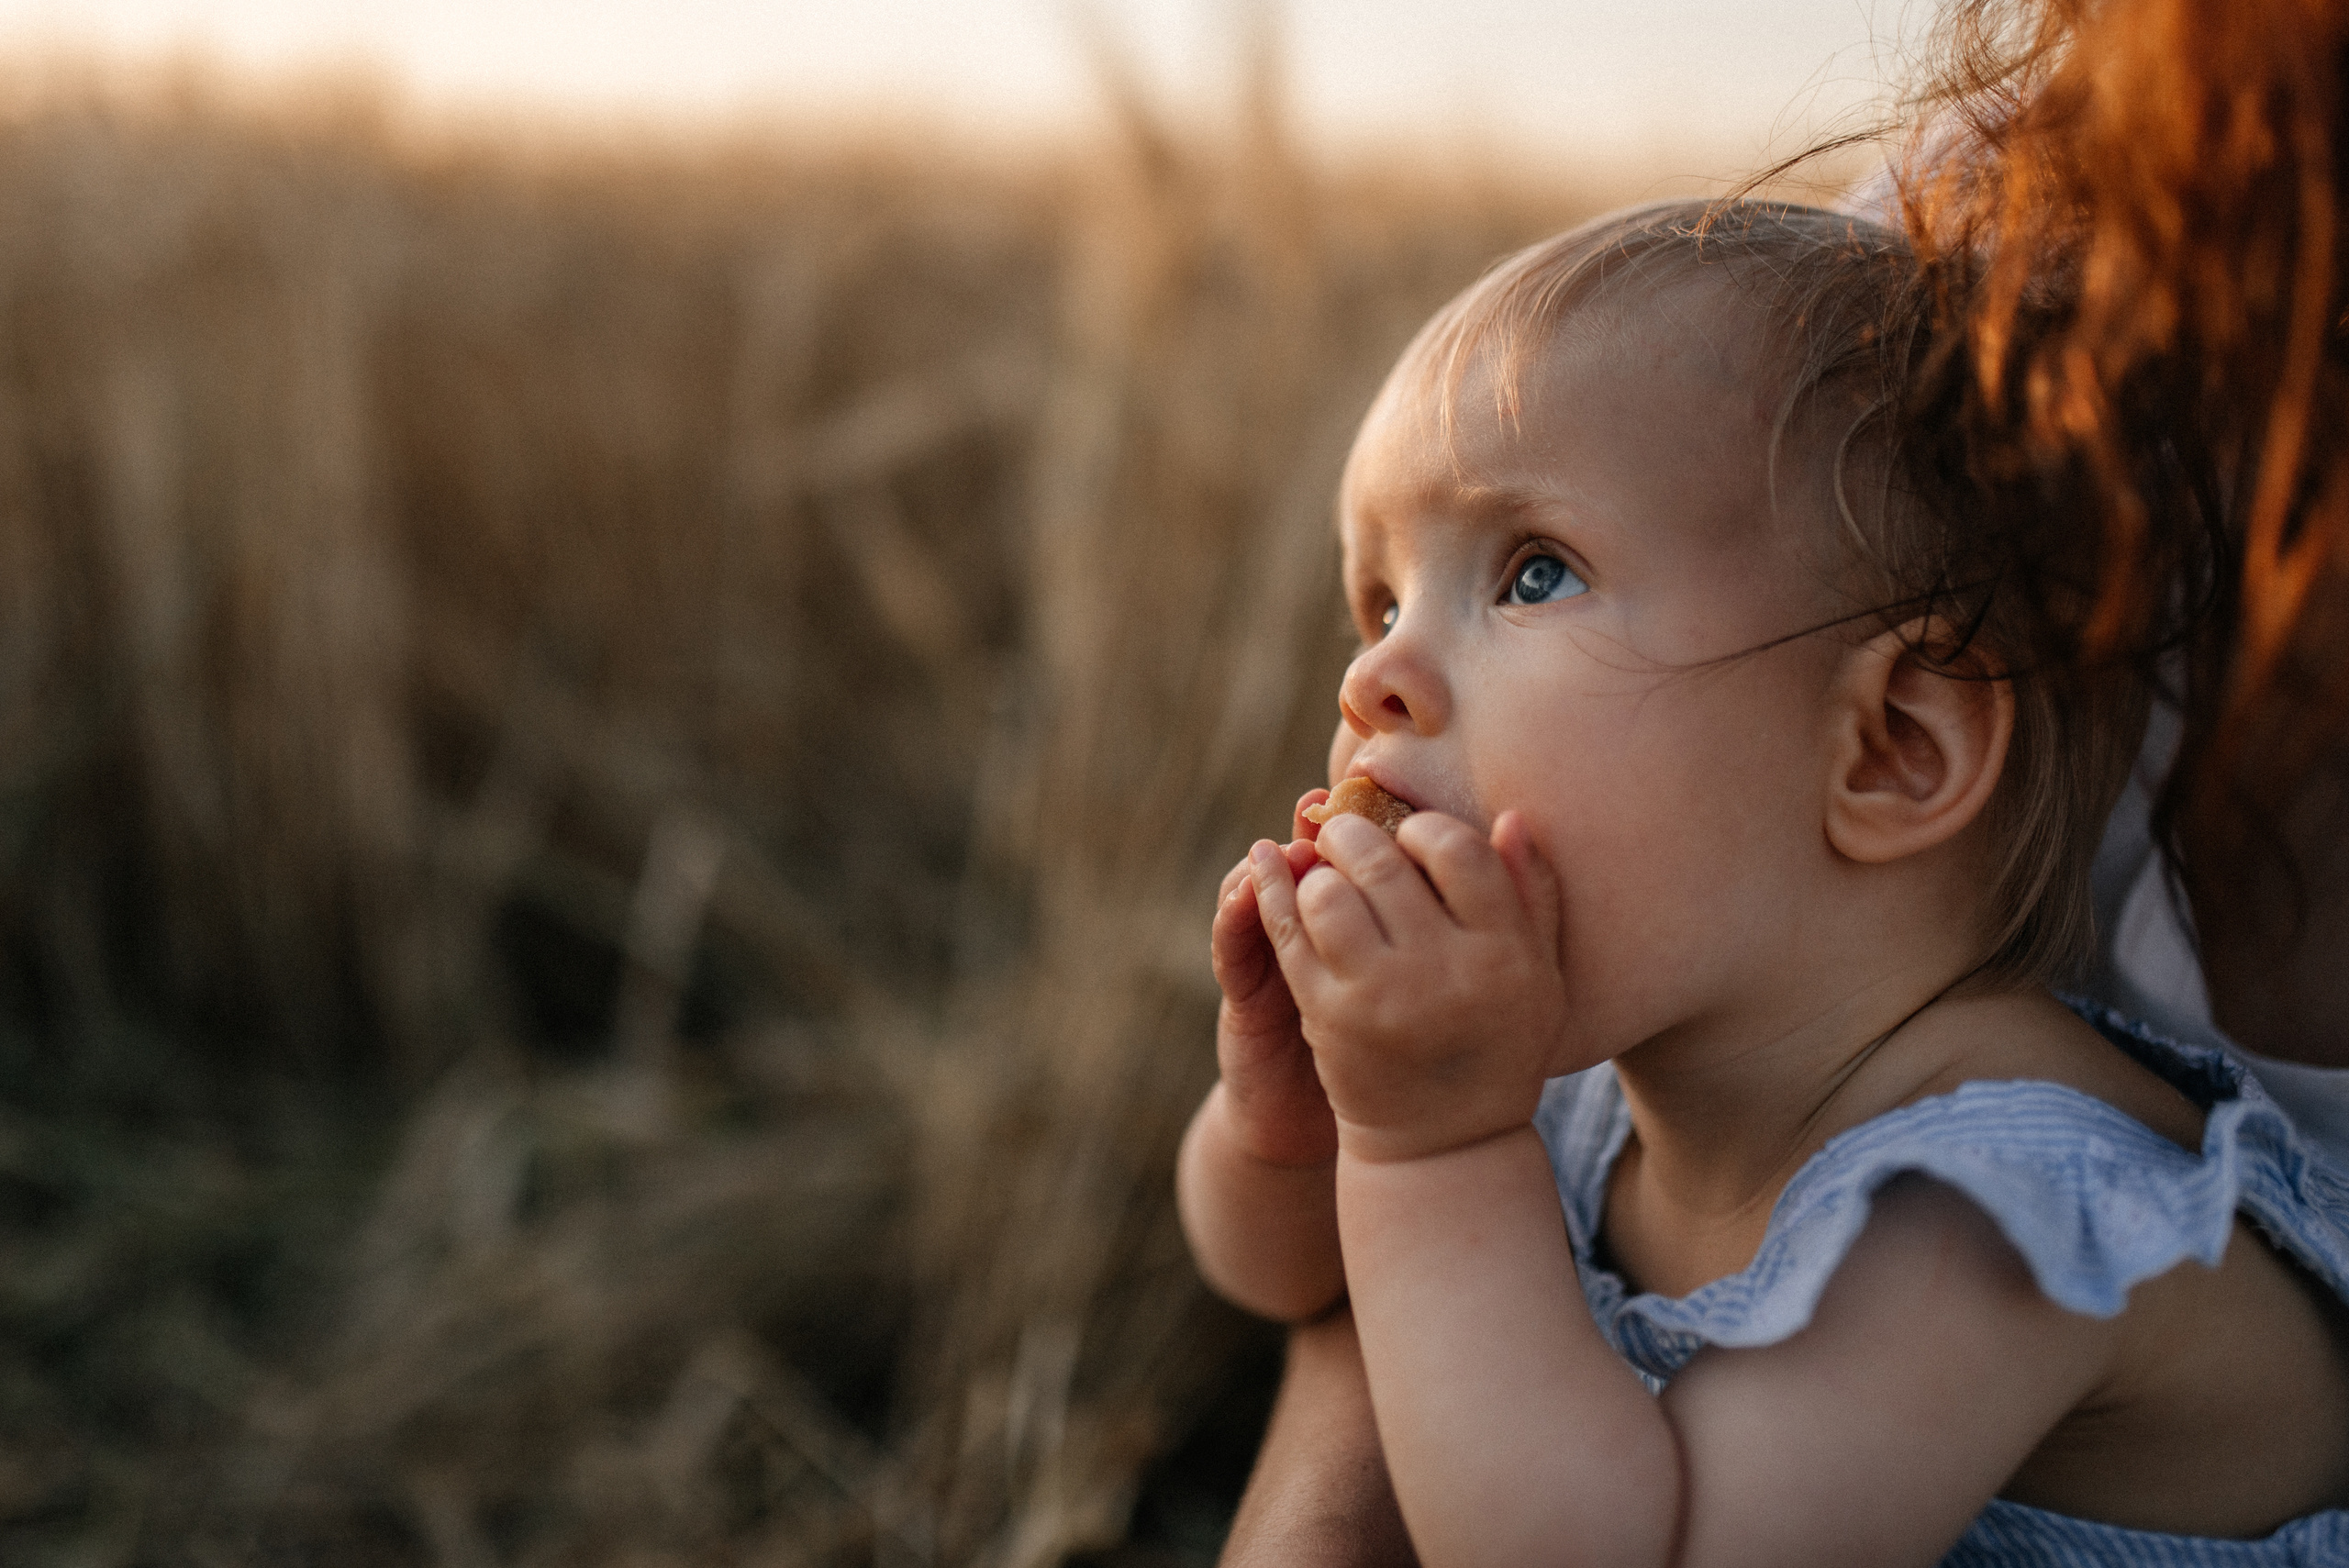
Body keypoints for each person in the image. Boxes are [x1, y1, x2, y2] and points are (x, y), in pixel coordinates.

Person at [1177, 199, 2349, 1564]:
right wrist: (1299, 1126)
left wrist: (1430, 1148)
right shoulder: (1592, 1058)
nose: (1373, 678)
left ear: (1889, 749)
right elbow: (1284, 1273)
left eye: (1535, 574)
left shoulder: (2001, 1216)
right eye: (1380, 603)